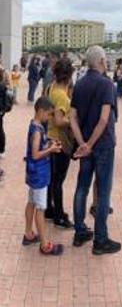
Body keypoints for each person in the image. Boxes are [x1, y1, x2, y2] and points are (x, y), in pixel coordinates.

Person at [69, 46, 121, 254]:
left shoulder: (79, 84)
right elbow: (104, 118)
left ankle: (79, 230)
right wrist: (89, 144)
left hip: (86, 146)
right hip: (103, 145)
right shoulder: (106, 84)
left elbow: (72, 117)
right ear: (100, 60)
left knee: (82, 187)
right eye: (105, 59)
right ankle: (100, 239)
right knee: (103, 189)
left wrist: (82, 143)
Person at [22, 97, 65, 256]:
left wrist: (49, 143)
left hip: (33, 172)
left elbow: (37, 147)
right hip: (39, 174)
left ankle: (28, 233)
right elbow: (35, 154)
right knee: (40, 207)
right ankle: (45, 244)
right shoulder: (38, 131)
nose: (50, 117)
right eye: (49, 114)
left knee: (32, 202)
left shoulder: (34, 125)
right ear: (41, 111)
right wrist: (51, 150)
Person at [44, 58, 75, 229]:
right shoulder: (62, 96)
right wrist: (72, 121)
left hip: (49, 137)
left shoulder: (50, 88)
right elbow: (58, 120)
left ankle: (49, 209)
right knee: (58, 180)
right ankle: (59, 216)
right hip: (60, 141)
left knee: (52, 178)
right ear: (69, 77)